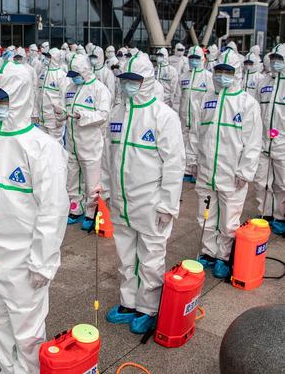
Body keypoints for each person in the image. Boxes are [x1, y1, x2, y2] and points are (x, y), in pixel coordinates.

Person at [0, 62, 69, 373]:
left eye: (2, 100)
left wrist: (42, 261)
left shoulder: (42, 148)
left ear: (21, 97)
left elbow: (53, 210)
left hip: (23, 263)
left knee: (28, 335)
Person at [102, 51, 185, 334]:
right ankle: (128, 302)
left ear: (147, 81)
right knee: (126, 256)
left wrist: (167, 205)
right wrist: (106, 188)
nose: (128, 85)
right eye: (124, 80)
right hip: (122, 201)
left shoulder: (163, 116)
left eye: (134, 80)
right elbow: (107, 157)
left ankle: (148, 307)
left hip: (151, 202)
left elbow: (174, 164)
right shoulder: (116, 113)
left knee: (150, 258)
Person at [187, 49, 262, 278]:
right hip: (207, 170)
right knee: (206, 214)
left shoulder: (246, 103)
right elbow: (196, 133)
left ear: (236, 73)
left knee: (229, 217)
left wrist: (245, 171)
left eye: (227, 72)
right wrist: (193, 160)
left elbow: (253, 141)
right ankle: (208, 252)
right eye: (218, 71)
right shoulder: (207, 99)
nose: (221, 76)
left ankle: (223, 255)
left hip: (232, 172)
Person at [60, 54, 112, 230]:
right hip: (72, 142)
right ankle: (75, 208)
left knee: (92, 181)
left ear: (85, 71)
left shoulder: (99, 89)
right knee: (72, 178)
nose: (74, 77)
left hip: (90, 143)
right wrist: (61, 114)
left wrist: (83, 115)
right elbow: (65, 109)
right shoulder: (71, 87)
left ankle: (91, 212)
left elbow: (104, 115)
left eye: (77, 74)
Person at [255, 45, 285, 233]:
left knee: (282, 183)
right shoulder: (263, 82)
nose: (275, 62)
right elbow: (256, 112)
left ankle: (281, 217)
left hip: (283, 143)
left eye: (280, 59)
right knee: (261, 181)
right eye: (273, 58)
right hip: (264, 141)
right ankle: (265, 214)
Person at [178, 46, 213, 180]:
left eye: (196, 58)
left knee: (197, 141)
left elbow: (211, 98)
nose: (193, 61)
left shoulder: (208, 77)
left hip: (199, 117)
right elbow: (178, 96)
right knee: (183, 141)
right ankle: (186, 169)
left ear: (202, 59)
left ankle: (196, 169)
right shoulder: (184, 76)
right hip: (184, 116)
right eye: (191, 58)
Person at [34, 47, 67, 142]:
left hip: (54, 120)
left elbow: (64, 99)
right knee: (43, 145)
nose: (46, 59)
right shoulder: (43, 73)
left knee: (55, 145)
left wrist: (61, 118)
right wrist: (35, 113)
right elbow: (37, 94)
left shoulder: (61, 76)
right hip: (41, 119)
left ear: (55, 59)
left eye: (49, 57)